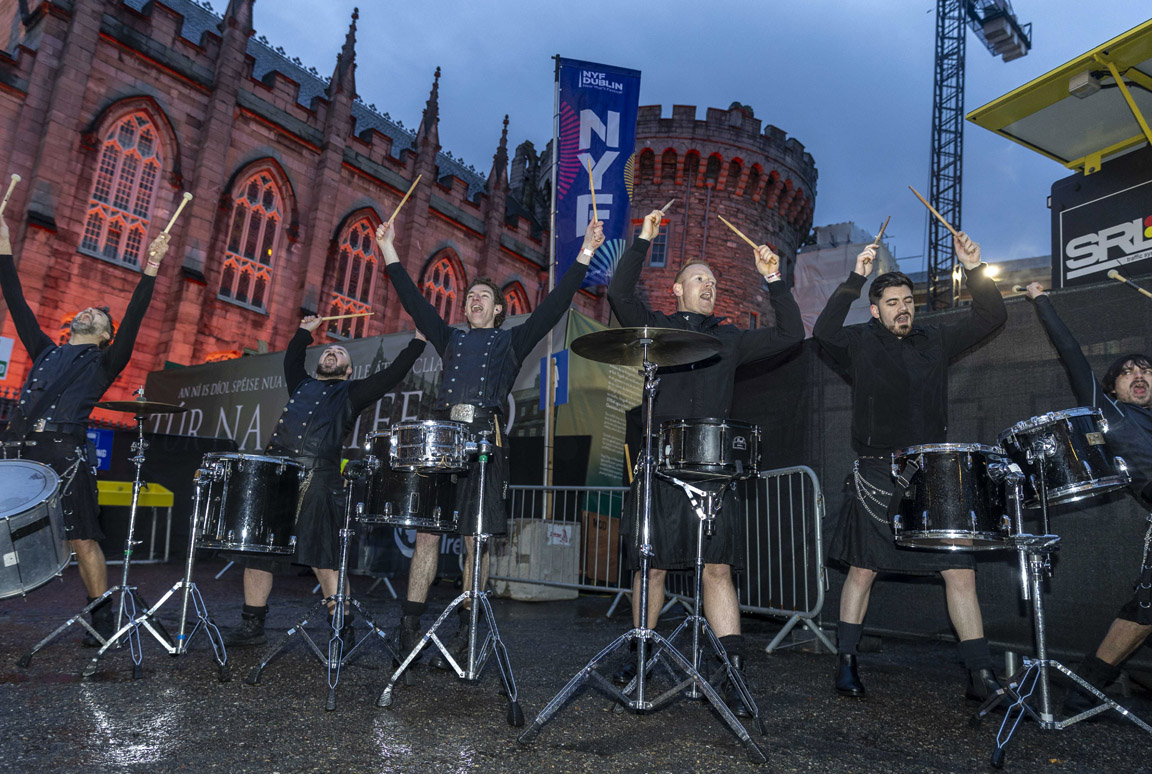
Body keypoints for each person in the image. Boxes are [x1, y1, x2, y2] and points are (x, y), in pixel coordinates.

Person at [376, 216, 604, 667]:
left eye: (483, 296)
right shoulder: (448, 338)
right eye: (469, 297)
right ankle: (409, 626)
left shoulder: (512, 342)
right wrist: (388, 248)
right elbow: (414, 301)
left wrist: (586, 252)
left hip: (483, 444)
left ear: (498, 309)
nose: (474, 300)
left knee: (474, 541)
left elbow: (554, 306)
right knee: (426, 536)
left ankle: (469, 629)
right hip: (442, 441)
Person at [607, 208, 805, 715]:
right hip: (660, 464)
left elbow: (790, 335)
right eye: (699, 279)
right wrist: (643, 239)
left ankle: (732, 669)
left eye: (713, 281)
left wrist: (773, 279)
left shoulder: (730, 338)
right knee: (650, 566)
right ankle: (640, 654)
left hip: (712, 469)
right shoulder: (657, 329)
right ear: (677, 290)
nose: (709, 286)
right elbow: (620, 295)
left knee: (717, 569)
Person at [813, 231, 1007, 702]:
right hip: (877, 470)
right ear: (875, 310)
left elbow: (992, 315)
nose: (903, 309)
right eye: (892, 303)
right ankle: (846, 661)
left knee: (959, 572)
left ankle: (979, 674)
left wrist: (974, 267)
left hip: (932, 474)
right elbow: (823, 333)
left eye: (907, 302)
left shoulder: (934, 339)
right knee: (863, 568)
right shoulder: (858, 342)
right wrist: (855, 277)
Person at [0, 217, 168, 644]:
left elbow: (135, 318)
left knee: (82, 538)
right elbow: (16, 302)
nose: (89, 312)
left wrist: (151, 268)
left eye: (98, 316)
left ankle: (101, 620)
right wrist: (4, 246)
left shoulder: (105, 362)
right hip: (15, 447)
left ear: (105, 336)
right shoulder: (45, 351)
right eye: (87, 310)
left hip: (63, 451)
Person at [224, 316, 427, 646]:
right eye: (328, 351)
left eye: (340, 353)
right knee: (260, 555)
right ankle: (252, 626)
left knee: (325, 559)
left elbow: (392, 374)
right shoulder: (301, 385)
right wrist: (304, 331)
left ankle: (340, 629)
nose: (332, 353)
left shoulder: (352, 392)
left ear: (348, 371)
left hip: (320, 481)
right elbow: (292, 360)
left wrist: (418, 342)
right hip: (278, 476)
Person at [1023, 282, 1152, 714]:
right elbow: (1071, 352)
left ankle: (1085, 689)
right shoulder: (1110, 412)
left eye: (1146, 370)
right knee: (1144, 610)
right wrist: (1042, 300)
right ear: (1112, 389)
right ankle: (1085, 690)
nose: (1139, 375)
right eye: (1127, 372)